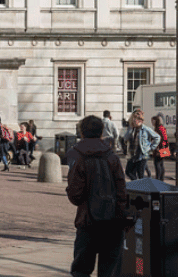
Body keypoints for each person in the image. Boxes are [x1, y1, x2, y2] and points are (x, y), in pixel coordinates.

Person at [65, 115, 127, 277]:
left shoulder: (77, 156)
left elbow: (75, 196)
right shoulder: (112, 157)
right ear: (101, 133)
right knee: (110, 269)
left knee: (81, 269)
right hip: (113, 221)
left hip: (87, 220)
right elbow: (122, 191)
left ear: (82, 133)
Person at [150, 115, 168, 182]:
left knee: (157, 163)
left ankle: (158, 178)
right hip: (163, 147)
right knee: (161, 163)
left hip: (159, 148)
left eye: (152, 121)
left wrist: (157, 147)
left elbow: (160, 138)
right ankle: (161, 178)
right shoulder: (162, 127)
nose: (152, 123)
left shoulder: (158, 128)